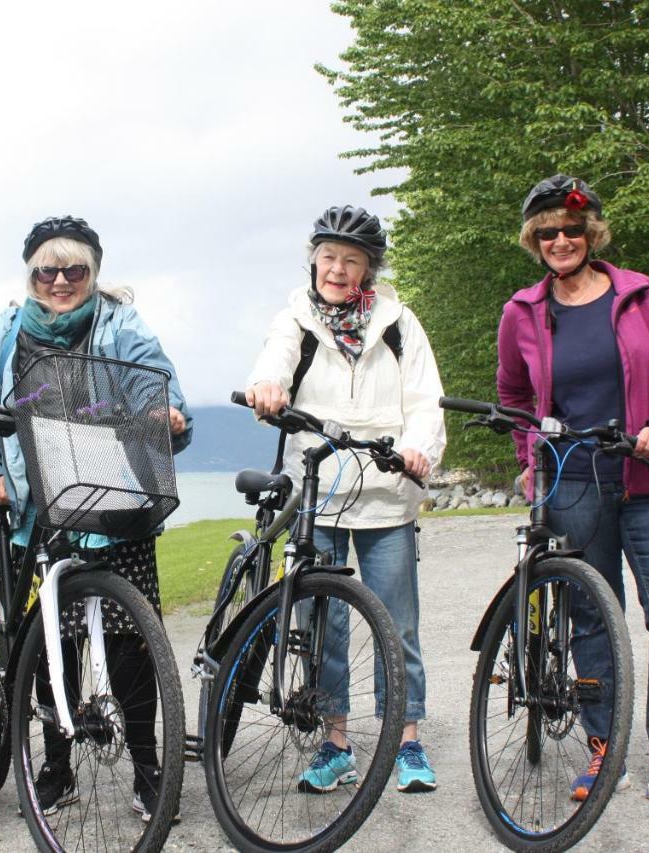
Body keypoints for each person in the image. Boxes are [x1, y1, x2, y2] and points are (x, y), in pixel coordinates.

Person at [496, 174, 649, 811]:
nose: (561, 239)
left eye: (572, 229)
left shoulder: (639, 294)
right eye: (547, 231)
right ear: (535, 240)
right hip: (574, 483)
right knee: (592, 620)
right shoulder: (522, 312)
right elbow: (516, 398)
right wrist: (533, 458)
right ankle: (604, 749)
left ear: (591, 233)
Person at [0, 215, 191, 821]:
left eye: (74, 269)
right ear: (31, 275)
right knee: (45, 641)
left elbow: (153, 381)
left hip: (113, 497)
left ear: (93, 274)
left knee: (132, 642)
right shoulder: (3, 333)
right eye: (47, 271)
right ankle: (55, 766)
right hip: (35, 507)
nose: (60, 281)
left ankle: (146, 768)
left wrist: (164, 414)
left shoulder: (120, 324)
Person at [244, 205, 446, 794]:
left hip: (386, 492)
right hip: (321, 490)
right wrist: (267, 385)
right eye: (329, 257)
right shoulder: (295, 319)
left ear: (367, 269)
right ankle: (336, 744)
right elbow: (274, 361)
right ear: (314, 260)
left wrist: (417, 449)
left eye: (351, 260)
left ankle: (406, 741)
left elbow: (425, 398)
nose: (337, 268)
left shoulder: (399, 323)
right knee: (323, 626)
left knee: (396, 625)